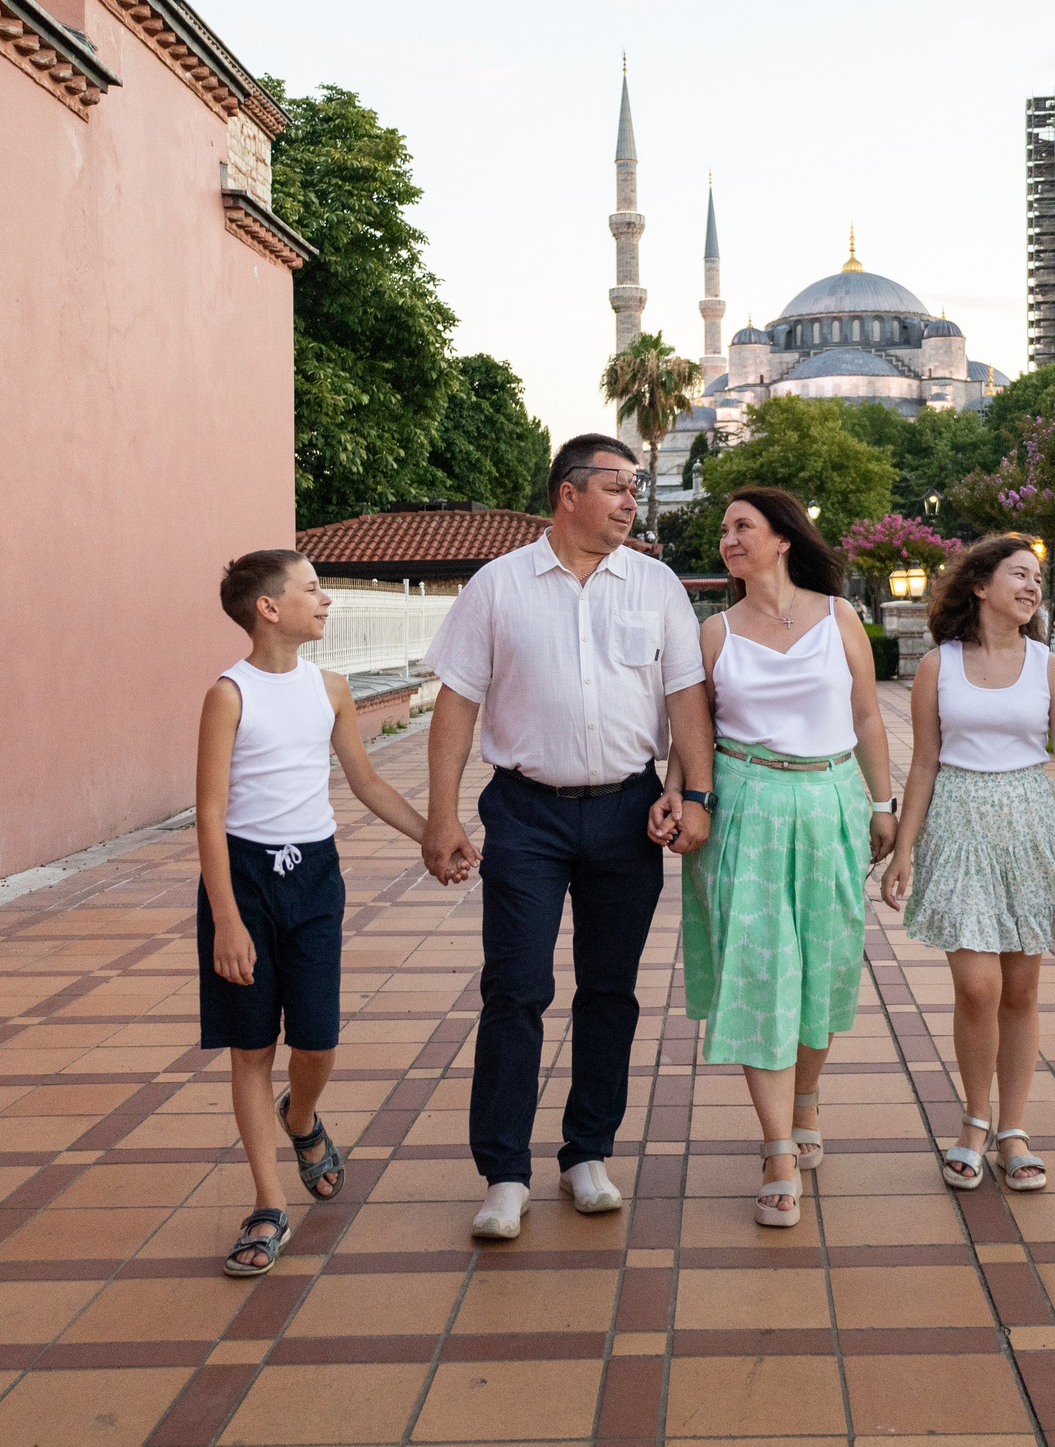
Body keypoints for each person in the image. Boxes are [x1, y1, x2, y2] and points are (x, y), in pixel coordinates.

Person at [421, 435, 716, 1241]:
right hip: (526, 813)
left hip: (627, 811)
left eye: (636, 487)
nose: (631, 501)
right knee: (515, 987)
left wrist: (696, 794)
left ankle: (588, 1151)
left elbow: (686, 697)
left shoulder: (655, 586)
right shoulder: (498, 586)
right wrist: (442, 814)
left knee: (609, 990)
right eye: (618, 486)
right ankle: (504, 1172)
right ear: (568, 494)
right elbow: (456, 705)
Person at [198, 550, 431, 1277]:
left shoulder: (331, 688)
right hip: (243, 881)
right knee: (250, 1049)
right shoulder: (228, 694)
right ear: (269, 608)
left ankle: (299, 1117)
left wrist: (434, 836)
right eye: (311, 590)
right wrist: (227, 920)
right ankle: (270, 1203)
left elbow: (363, 781)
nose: (326, 601)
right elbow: (207, 814)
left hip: (315, 878)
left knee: (319, 1042)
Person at [882, 537, 1055, 1194]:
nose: (1032, 586)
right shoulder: (940, 666)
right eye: (1019, 574)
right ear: (980, 586)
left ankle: (1011, 1130)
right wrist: (904, 850)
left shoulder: (1050, 666)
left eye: (1037, 578)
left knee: (1019, 989)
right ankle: (973, 1119)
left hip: (1028, 826)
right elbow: (925, 762)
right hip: (959, 826)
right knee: (977, 986)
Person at [684, 489, 895, 1229]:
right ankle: (776, 1149)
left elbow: (866, 713)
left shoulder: (838, 616)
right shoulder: (714, 632)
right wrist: (688, 801)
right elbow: (692, 731)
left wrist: (882, 803)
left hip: (831, 800)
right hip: (746, 806)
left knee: (825, 963)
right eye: (723, 530)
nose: (729, 538)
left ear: (783, 539)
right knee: (761, 966)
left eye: (743, 525)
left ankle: (806, 1098)